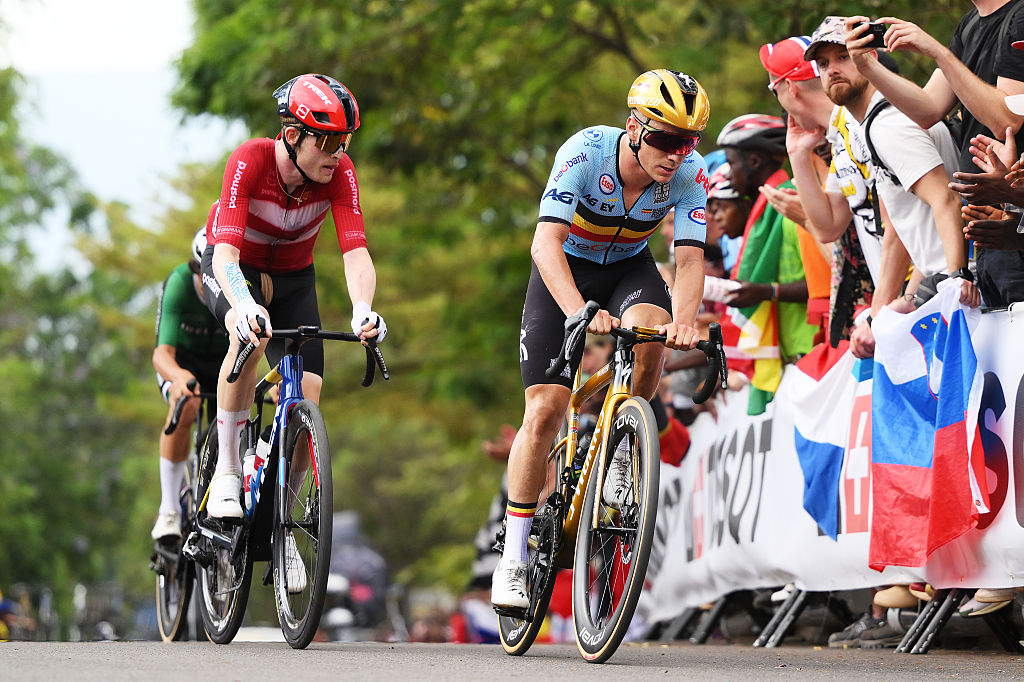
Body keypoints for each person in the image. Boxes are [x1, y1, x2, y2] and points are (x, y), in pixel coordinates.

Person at [491, 69, 711, 612]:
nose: (675, 153)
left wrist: (684, 320)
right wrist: (576, 313)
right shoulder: (585, 152)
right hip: (564, 272)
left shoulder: (689, 173)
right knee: (544, 409)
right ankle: (514, 557)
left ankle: (621, 448)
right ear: (634, 127)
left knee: (651, 333)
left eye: (688, 142)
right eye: (663, 138)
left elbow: (688, 257)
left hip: (628, 267)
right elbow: (545, 244)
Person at [199, 74, 387, 589]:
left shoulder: (339, 174)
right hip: (232, 267)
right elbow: (226, 255)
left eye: (344, 141)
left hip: (294, 278)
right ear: (291, 135)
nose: (337, 152)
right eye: (326, 140)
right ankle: (228, 474)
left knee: (310, 392)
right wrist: (242, 307)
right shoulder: (251, 160)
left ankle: (284, 529)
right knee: (251, 338)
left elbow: (356, 252)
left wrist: (363, 308)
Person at [849, 3, 1024, 306]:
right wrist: (868, 67)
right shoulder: (970, 24)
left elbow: (1007, 120)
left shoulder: (1020, 16)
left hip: (1017, 216)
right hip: (987, 227)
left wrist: (937, 52)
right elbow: (927, 110)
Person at [837, 16, 981, 359]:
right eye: (823, 64)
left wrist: (957, 276)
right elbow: (909, 234)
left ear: (872, 60)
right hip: (945, 281)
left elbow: (944, 199)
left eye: (844, 57)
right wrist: (890, 308)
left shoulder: (888, 124)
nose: (832, 71)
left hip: (959, 288)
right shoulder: (878, 124)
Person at [716, 114, 817, 414]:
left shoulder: (792, 202)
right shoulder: (765, 211)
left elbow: (826, 284)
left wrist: (765, 291)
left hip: (812, 350)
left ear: (755, 161)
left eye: (732, 163)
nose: (730, 174)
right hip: (793, 357)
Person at [150, 228, 228, 540]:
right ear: (197, 268)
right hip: (182, 362)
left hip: (223, 363)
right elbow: (161, 354)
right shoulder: (180, 283)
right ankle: (169, 510)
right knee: (188, 404)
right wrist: (179, 377)